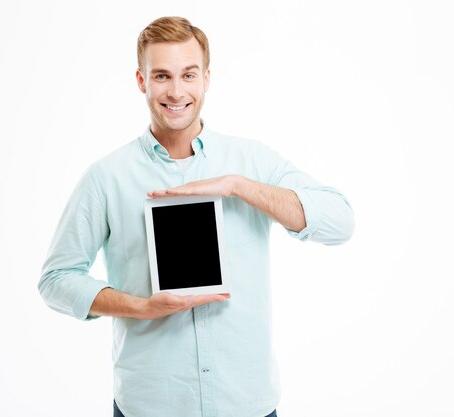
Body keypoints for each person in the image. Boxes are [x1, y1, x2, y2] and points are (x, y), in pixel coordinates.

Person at [39, 16, 354, 417]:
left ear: (206, 78)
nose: (175, 91)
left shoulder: (250, 161)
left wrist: (239, 187)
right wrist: (141, 307)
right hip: (151, 406)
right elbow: (56, 280)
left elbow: (340, 221)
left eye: (188, 75)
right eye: (162, 76)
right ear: (141, 81)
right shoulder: (106, 177)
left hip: (246, 404)